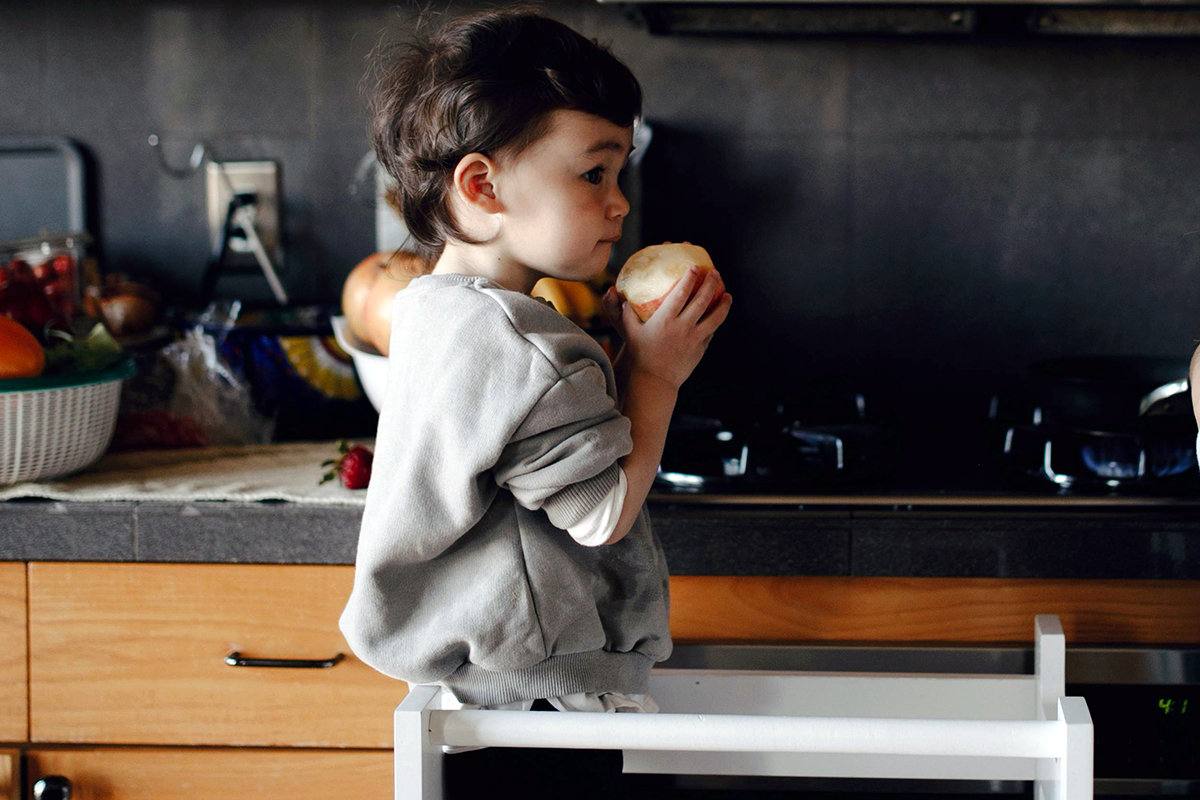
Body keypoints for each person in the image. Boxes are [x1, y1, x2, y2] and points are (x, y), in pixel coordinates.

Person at [337, 7, 733, 799]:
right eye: (594, 173)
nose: (619, 203)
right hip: (539, 704)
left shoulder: (431, 309)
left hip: (482, 695)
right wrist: (655, 378)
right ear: (482, 185)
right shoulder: (522, 342)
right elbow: (598, 512)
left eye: (619, 174)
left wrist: (619, 361)